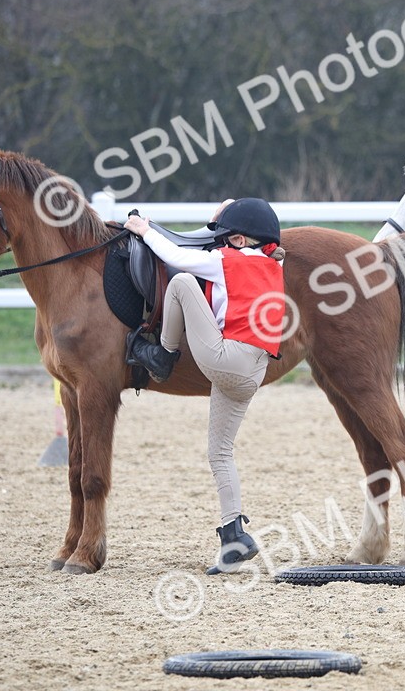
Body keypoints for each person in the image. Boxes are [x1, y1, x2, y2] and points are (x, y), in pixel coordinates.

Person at [123, 197, 285, 573]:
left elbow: (177, 257)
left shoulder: (225, 261)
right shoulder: (275, 265)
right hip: (253, 372)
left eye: (226, 237)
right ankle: (234, 540)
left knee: (180, 282)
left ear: (241, 241)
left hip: (228, 358)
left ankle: (162, 355)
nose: (219, 244)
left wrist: (145, 230)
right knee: (220, 453)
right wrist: (224, 216)